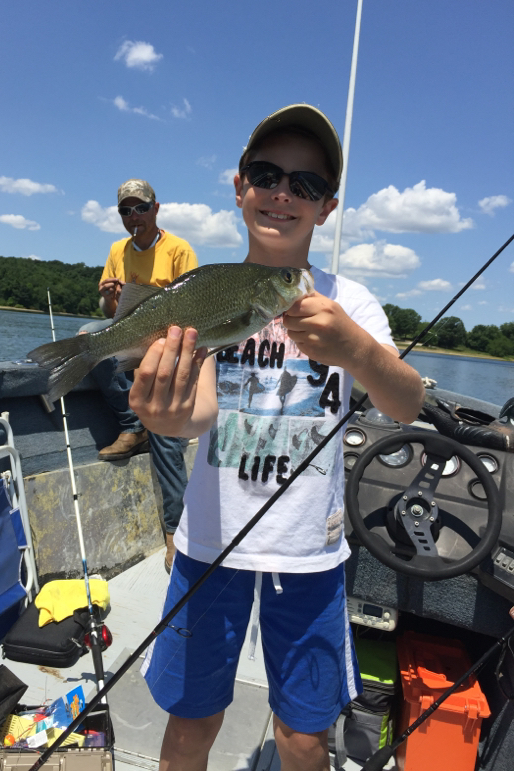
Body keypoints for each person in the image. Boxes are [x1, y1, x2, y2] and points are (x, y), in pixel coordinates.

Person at [128, 104, 425, 771]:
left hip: (309, 557)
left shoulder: (354, 304)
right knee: (191, 723)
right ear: (239, 187)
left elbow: (405, 403)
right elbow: (196, 414)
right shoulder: (207, 294)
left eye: (306, 185)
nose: (283, 194)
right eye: (267, 175)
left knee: (303, 736)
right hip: (211, 545)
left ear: (327, 207)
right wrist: (163, 415)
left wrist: (357, 350)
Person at [81, 178, 198, 572]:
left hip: (169, 342)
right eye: (126, 211)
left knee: (167, 439)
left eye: (141, 208)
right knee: (87, 337)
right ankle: (132, 425)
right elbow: (110, 316)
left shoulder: (179, 250)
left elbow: (194, 308)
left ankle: (174, 531)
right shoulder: (118, 250)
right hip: (131, 334)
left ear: (156, 208)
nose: (134, 217)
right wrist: (110, 296)